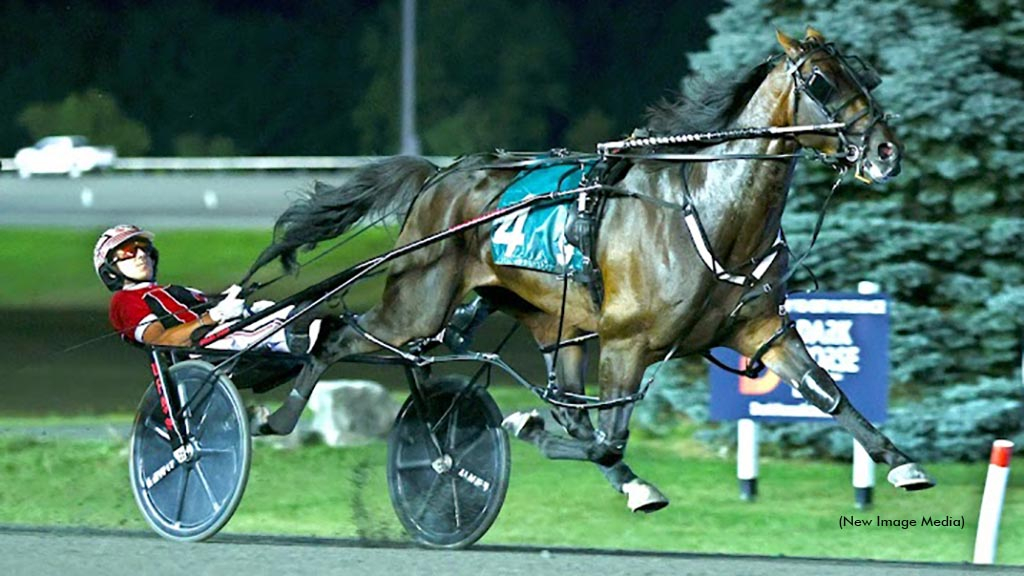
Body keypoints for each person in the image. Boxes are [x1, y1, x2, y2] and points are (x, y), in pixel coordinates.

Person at [93, 224, 320, 353]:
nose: (141, 255)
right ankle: (312, 333)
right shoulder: (125, 301)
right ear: (110, 270)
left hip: (223, 333)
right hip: (201, 350)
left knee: (271, 308)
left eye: (144, 248)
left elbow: (211, 307)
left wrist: (227, 299)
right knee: (283, 320)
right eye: (127, 252)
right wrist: (216, 315)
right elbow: (160, 340)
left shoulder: (174, 290)